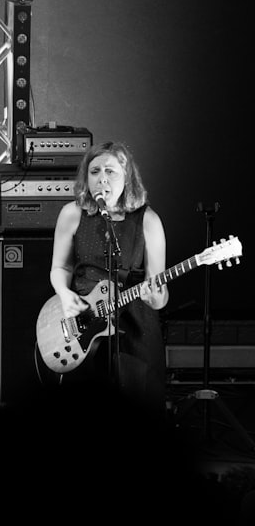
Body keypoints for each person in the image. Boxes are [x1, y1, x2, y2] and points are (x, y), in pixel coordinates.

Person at [48, 141, 168, 416]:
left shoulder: (147, 220)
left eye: (110, 171)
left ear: (127, 176)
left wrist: (157, 297)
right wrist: (65, 295)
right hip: (85, 321)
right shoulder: (72, 213)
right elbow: (60, 268)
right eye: (95, 171)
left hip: (134, 323)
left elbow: (159, 292)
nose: (102, 178)